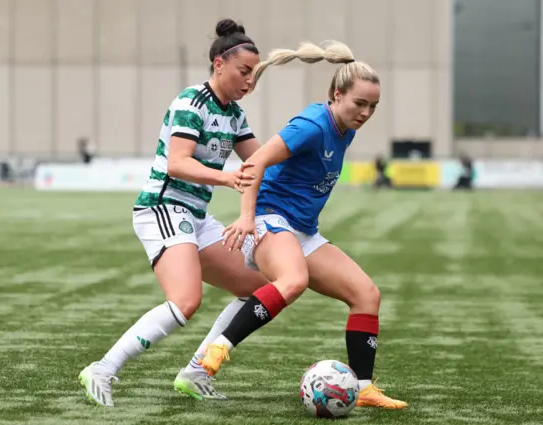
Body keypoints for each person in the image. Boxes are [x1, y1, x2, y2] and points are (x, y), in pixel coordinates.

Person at [192, 40, 408, 409]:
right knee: (293, 281)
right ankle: (218, 348)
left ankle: (365, 387)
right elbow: (254, 163)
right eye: (360, 103)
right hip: (269, 218)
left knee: (367, 296)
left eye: (373, 106)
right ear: (336, 95)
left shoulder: (346, 128)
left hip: (302, 229)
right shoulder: (311, 124)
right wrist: (247, 218)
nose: (367, 112)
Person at [78, 19, 271, 407]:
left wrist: (305, 150)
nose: (250, 81)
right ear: (219, 64)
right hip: (163, 208)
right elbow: (177, 164)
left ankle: (196, 370)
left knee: (259, 291)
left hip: (196, 217)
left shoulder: (234, 114)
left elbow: (262, 160)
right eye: (244, 72)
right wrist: (229, 178)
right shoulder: (191, 103)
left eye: (255, 75)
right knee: (186, 301)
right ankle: (102, 368)